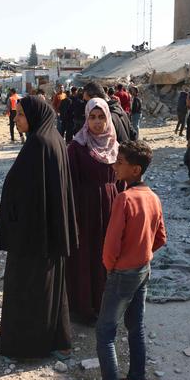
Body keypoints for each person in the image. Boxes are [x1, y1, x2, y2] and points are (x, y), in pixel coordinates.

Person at [82, 140, 166, 380]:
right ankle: (134, 379)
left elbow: (111, 243)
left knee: (105, 332)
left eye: (120, 162)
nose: (115, 165)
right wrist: (142, 252)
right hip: (143, 269)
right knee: (135, 326)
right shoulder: (153, 197)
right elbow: (160, 237)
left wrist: (111, 266)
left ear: (135, 169)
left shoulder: (124, 198)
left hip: (122, 273)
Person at [0, 95, 78, 359]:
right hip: (47, 231)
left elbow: (27, 194)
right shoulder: (53, 139)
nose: (15, 119)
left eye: (20, 114)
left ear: (34, 116)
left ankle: (29, 346)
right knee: (50, 288)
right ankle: (54, 340)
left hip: (33, 237)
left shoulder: (39, 144)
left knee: (29, 288)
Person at [66, 98, 119, 324]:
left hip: (111, 208)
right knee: (87, 256)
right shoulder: (77, 147)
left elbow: (123, 181)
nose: (97, 122)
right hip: (85, 210)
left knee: (108, 256)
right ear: (86, 119)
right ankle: (86, 308)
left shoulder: (115, 145)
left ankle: (108, 306)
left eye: (101, 117)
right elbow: (69, 183)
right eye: (92, 117)